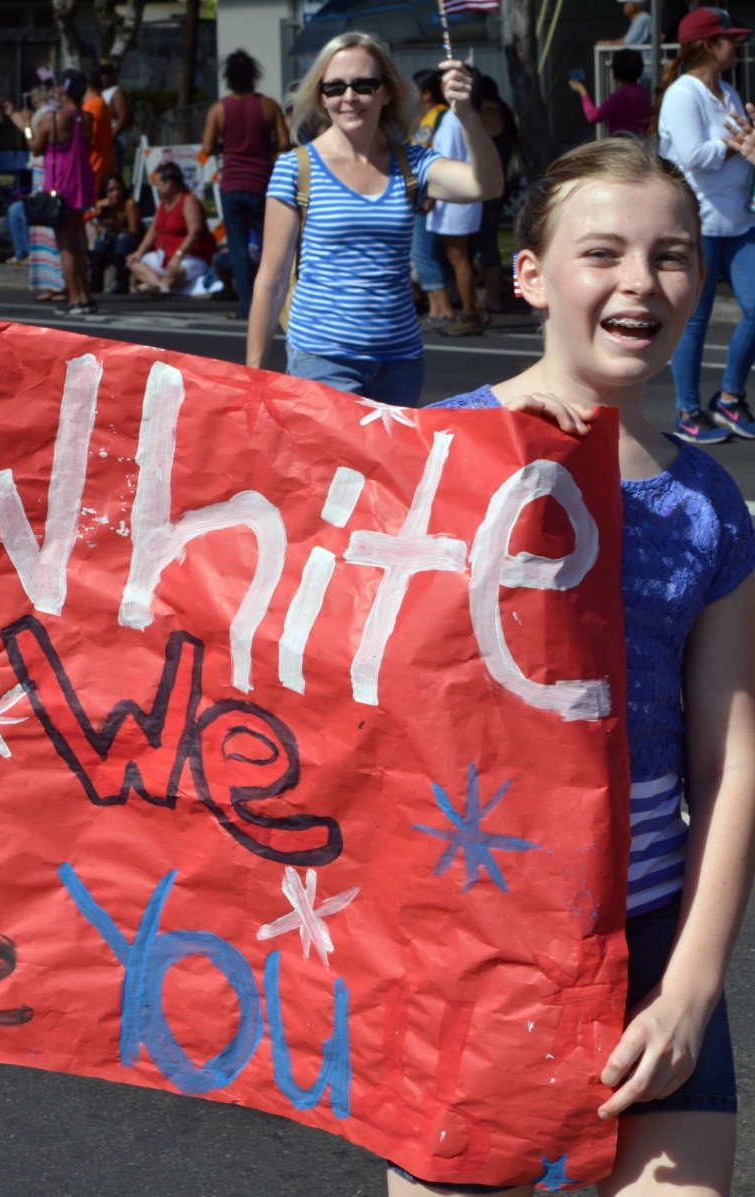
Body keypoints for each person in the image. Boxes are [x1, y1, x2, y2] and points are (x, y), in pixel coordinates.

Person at [405, 134, 753, 1197]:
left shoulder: (710, 504)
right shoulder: (429, 455)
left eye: (673, 255)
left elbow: (728, 764)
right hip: (468, 945)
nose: (641, 283)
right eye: (603, 253)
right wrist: (509, 471)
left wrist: (693, 989)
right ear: (530, 276)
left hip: (649, 944)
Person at [244, 34, 502, 406]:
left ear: (387, 92)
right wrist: (254, 374)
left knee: (393, 467)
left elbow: (488, 184)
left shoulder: (411, 163)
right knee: (332, 465)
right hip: (323, 361)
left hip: (400, 363)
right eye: (334, 87)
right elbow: (271, 279)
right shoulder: (296, 167)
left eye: (364, 85)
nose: (348, 97)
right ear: (320, 96)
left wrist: (466, 115)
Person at [659, 6, 755, 443]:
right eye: (729, 38)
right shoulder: (683, 93)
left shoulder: (728, 93)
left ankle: (730, 398)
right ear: (707, 45)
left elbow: (739, 141)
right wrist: (735, 145)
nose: (736, 44)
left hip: (738, 219)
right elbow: (695, 155)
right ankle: (687, 411)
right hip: (700, 220)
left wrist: (746, 142)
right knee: (695, 319)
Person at [201, 49, 290, 319]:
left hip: (233, 183)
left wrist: (225, 146)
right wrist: (265, 145)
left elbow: (207, 146)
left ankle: (247, 304)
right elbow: (285, 142)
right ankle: (275, 301)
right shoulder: (269, 106)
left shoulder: (219, 109)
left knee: (238, 247)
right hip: (263, 182)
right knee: (268, 245)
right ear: (254, 75)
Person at [9, 68, 96, 315]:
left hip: (61, 185)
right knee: (77, 243)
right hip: (80, 184)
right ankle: (86, 296)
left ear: (64, 89)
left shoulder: (55, 119)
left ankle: (75, 299)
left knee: (65, 245)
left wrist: (26, 126)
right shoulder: (84, 116)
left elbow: (35, 147)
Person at [427, 105, 486, 336]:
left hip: (454, 196)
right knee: (460, 257)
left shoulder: (455, 119)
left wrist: (431, 195)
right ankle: (471, 308)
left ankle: (470, 312)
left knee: (458, 257)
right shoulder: (466, 115)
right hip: (459, 195)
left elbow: (445, 160)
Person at [127, 162, 216, 296]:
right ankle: (160, 286)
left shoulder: (188, 201)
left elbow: (194, 232)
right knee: (134, 263)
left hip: (191, 256)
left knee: (177, 269)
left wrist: (178, 255)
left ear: (169, 182)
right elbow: (154, 230)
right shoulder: (164, 203)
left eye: (159, 184)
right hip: (165, 257)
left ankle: (160, 286)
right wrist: (139, 252)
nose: (157, 187)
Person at [411, 68, 454, 330]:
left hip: (427, 192)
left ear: (426, 93)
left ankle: (443, 308)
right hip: (424, 192)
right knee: (425, 253)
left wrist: (430, 195)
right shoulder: (431, 117)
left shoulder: (437, 117)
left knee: (423, 252)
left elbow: (430, 155)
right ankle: (438, 308)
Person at [473, 73, 521, 313]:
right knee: (484, 242)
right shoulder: (500, 111)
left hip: (489, 189)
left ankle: (493, 298)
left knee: (486, 243)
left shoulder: (489, 115)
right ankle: (489, 293)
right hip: (493, 187)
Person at [572, 47, 655, 136]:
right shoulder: (644, 94)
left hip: (621, 144)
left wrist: (583, 92)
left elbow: (593, 116)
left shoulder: (622, 96)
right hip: (640, 144)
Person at [89, 173, 141, 294]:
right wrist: (99, 214)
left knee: (122, 238)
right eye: (111, 190)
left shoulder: (129, 204)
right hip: (111, 244)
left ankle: (122, 284)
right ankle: (95, 283)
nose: (115, 193)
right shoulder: (104, 206)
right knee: (100, 241)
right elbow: (99, 232)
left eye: (118, 189)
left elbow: (134, 232)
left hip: (130, 243)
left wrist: (116, 225)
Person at [599, 0, 658, 82]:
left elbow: (626, 43)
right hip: (643, 69)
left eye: (625, 3)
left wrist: (606, 44)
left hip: (646, 70)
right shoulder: (639, 19)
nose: (623, 7)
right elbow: (626, 40)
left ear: (633, 5)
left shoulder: (642, 19)